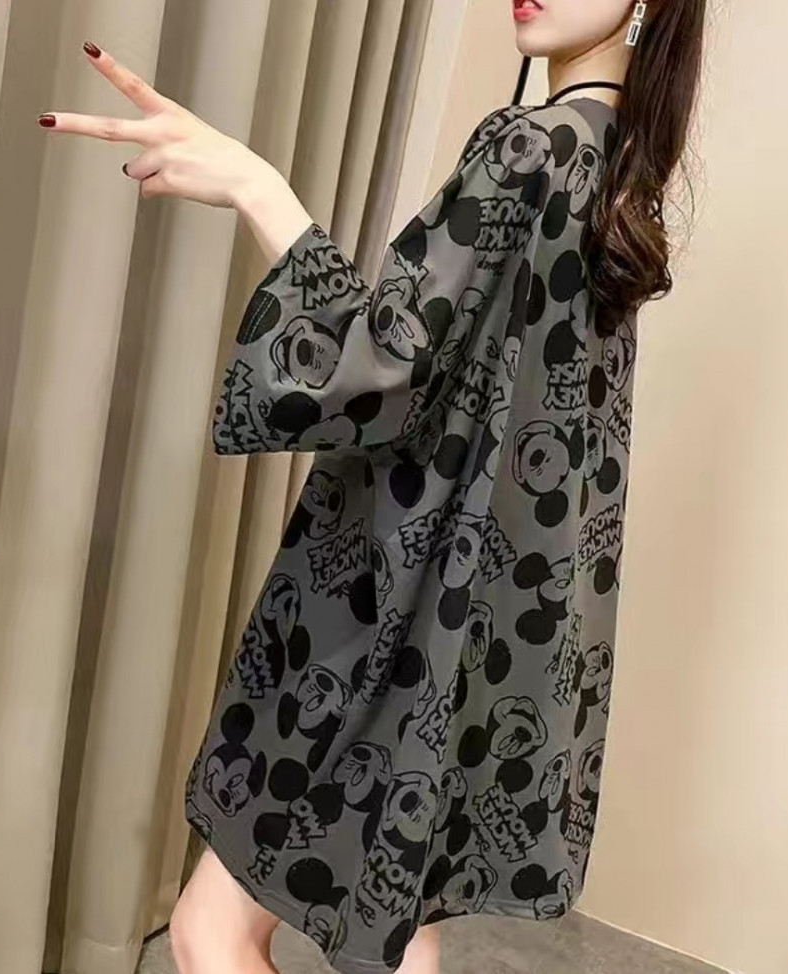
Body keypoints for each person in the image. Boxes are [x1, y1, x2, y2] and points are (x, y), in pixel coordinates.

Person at [39, 1, 705, 971]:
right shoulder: (615, 161)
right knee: (402, 933)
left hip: (391, 614)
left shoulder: (532, 145)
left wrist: (255, 186)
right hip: (483, 631)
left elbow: (382, 366)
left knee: (211, 928)